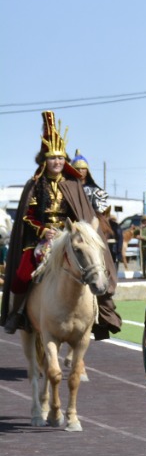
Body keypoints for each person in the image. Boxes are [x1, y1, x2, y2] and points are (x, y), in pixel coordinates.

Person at [3, 112, 122, 339]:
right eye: (52, 157)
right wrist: (43, 230)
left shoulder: (73, 185)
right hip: (41, 239)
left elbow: (81, 213)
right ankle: (17, 313)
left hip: (69, 236)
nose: (57, 162)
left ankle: (99, 315)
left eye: (60, 158)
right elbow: (27, 215)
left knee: (91, 264)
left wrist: (78, 232)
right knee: (21, 275)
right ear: (44, 160)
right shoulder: (36, 185)